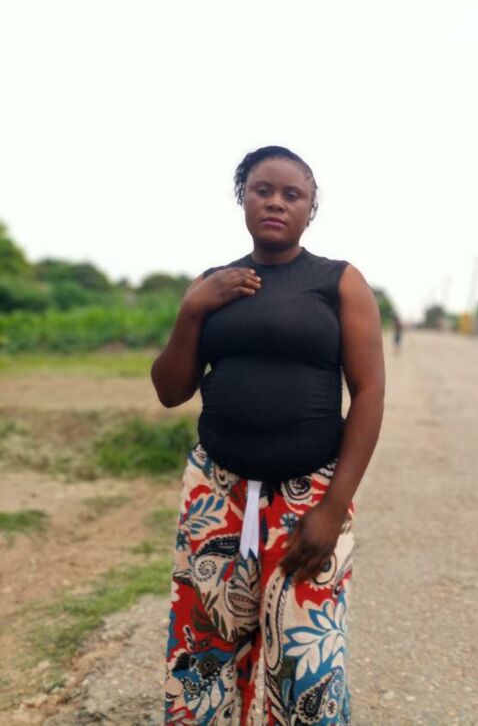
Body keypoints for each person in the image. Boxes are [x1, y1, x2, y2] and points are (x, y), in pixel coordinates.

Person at [151, 145, 385, 725]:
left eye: (292, 194)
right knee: (205, 648)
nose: (276, 202)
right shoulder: (211, 285)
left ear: (310, 209)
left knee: (305, 661)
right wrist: (192, 309)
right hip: (217, 491)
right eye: (263, 190)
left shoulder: (338, 281)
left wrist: (334, 507)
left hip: (309, 493)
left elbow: (369, 392)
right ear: (243, 199)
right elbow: (170, 390)